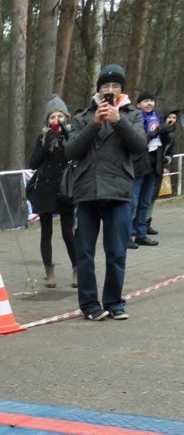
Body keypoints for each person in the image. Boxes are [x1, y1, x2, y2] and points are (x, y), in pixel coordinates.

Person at [64, 64, 145, 321]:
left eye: (115, 86)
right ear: (98, 90)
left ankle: (114, 302)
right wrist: (95, 123)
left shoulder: (132, 115)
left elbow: (139, 145)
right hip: (87, 192)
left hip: (119, 191)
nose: (109, 91)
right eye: (105, 86)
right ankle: (89, 305)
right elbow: (71, 151)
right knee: (85, 253)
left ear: (122, 91)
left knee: (117, 252)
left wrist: (118, 121)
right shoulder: (82, 117)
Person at [26, 96, 77, 288]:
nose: (56, 120)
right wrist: (46, 146)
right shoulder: (43, 137)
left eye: (60, 116)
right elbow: (33, 163)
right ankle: (49, 272)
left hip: (65, 189)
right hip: (45, 189)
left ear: (66, 117)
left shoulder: (72, 135)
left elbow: (75, 154)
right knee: (45, 232)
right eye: (53, 116)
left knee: (68, 232)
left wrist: (66, 137)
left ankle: (76, 268)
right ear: (48, 120)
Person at [128, 92, 162, 248]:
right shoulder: (136, 119)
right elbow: (137, 142)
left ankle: (141, 233)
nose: (149, 104)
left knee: (145, 202)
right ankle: (126, 234)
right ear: (139, 104)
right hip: (138, 163)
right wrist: (151, 134)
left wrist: (166, 132)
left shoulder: (156, 117)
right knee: (132, 202)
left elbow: (162, 142)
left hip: (153, 163)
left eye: (151, 101)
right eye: (146, 101)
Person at [145, 107, 179, 236]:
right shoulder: (156, 130)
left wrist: (167, 160)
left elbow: (171, 153)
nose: (172, 120)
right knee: (144, 196)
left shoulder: (173, 135)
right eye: (169, 117)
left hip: (159, 167)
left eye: (174, 118)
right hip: (149, 165)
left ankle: (147, 222)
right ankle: (137, 223)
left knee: (153, 197)